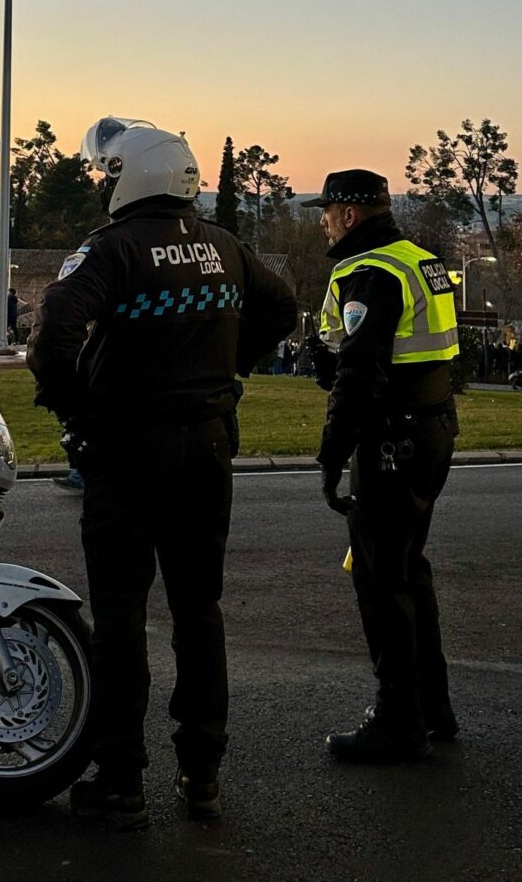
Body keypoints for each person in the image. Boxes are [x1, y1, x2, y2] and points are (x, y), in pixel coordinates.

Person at [27, 116, 296, 828]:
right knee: (197, 612)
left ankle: (121, 781)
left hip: (128, 452)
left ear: (130, 175)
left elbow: (53, 331)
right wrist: (229, 369)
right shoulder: (225, 245)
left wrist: (77, 410)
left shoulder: (110, 249)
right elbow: (285, 308)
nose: (100, 184)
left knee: (120, 617)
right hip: (208, 447)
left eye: (106, 173)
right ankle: (201, 773)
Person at [303, 169, 461, 763]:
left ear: (349, 213)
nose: (322, 220)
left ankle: (399, 719)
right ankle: (432, 705)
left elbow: (361, 372)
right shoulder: (418, 258)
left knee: (380, 578)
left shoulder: (368, 271)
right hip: (433, 426)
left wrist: (331, 454)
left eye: (327, 211)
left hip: (393, 439)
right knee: (407, 570)